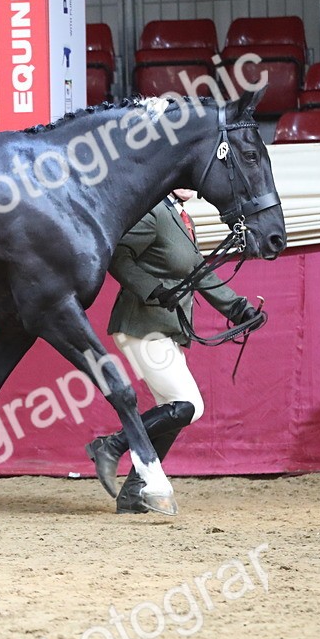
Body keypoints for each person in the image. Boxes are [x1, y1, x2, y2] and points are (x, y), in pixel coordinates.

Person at [85, 189, 265, 513]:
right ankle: (111, 445)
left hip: (166, 330)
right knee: (189, 405)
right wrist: (152, 290)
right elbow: (118, 257)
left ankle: (133, 494)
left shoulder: (183, 218)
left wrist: (239, 310)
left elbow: (199, 273)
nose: (191, 186)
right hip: (142, 324)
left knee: (174, 413)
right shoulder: (153, 213)